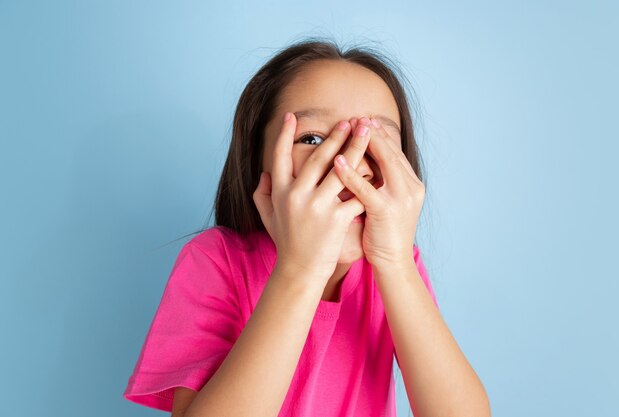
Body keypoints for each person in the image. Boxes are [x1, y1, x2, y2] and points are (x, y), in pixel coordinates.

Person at [122, 38, 490, 417]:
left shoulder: (397, 266)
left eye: (377, 140)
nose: (351, 165)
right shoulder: (217, 261)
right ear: (258, 162)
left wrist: (395, 262)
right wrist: (302, 268)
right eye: (312, 139)